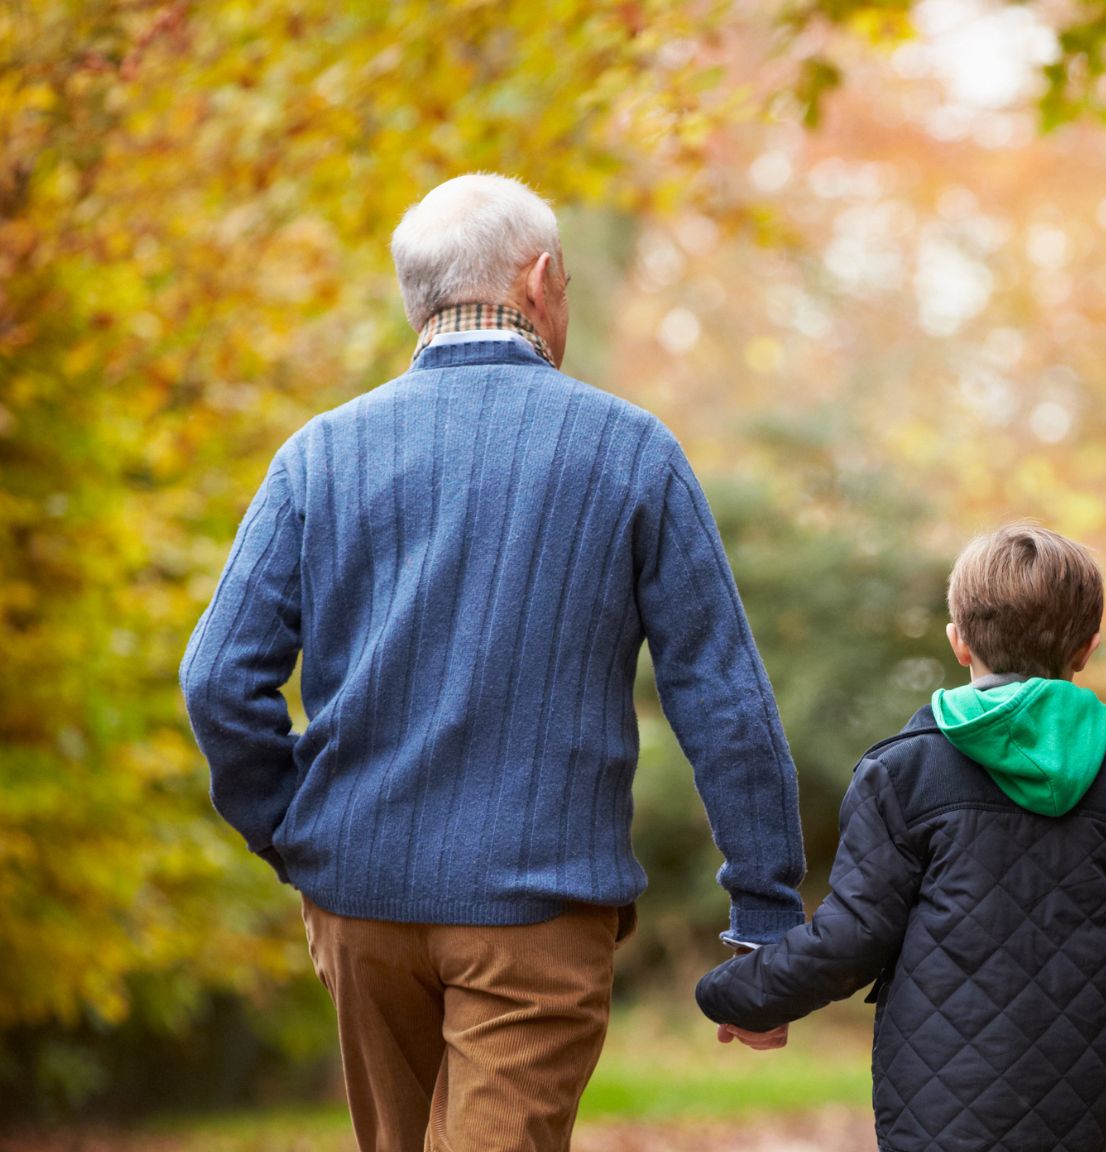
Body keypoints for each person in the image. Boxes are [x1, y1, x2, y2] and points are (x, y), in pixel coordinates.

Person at [178, 173, 807, 1151]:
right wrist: (765, 917)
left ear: (416, 296)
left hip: (356, 900)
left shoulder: (319, 455)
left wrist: (297, 832)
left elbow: (216, 681)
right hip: (538, 905)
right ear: (542, 280)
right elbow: (722, 699)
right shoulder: (630, 453)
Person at [696, 523, 1106, 1152]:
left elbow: (851, 936)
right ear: (1086, 649)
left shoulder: (901, 774)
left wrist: (742, 994)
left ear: (959, 641)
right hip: (1085, 1114)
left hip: (936, 1115)